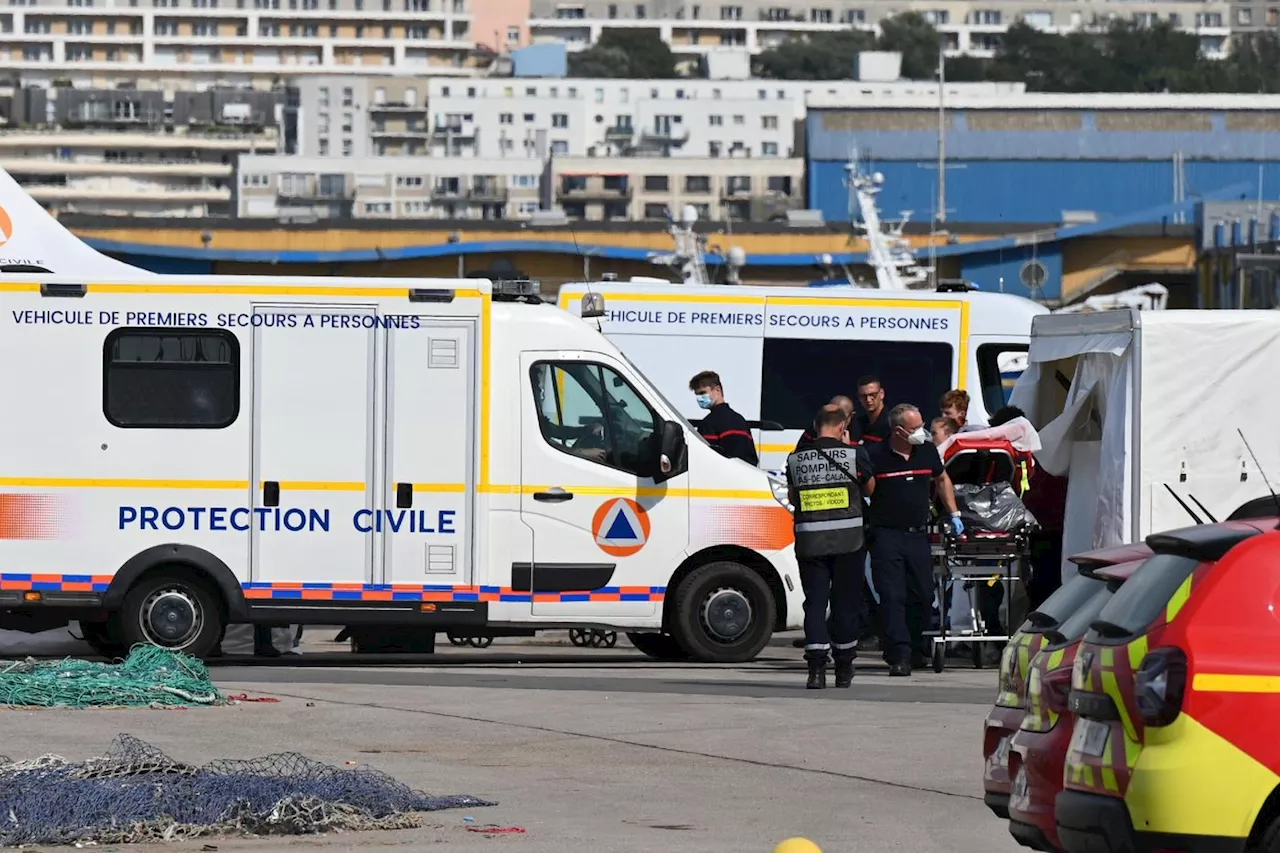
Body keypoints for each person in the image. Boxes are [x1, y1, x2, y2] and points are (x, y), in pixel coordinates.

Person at [867, 403, 963, 677]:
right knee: (892, 595)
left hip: (918, 535)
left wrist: (954, 512)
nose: (921, 432)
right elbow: (866, 488)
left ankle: (917, 646)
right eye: (914, 428)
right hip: (887, 536)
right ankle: (899, 654)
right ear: (898, 431)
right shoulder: (876, 455)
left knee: (922, 594)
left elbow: (942, 479)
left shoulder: (927, 452)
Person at [785, 406, 873, 689]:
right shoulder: (854, 454)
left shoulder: (796, 458)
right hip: (849, 542)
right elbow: (870, 488)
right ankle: (844, 667)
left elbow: (792, 495)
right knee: (845, 605)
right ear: (841, 427)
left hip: (810, 541)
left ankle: (816, 670)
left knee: (814, 604)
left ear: (815, 425)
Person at [689, 370, 759, 466]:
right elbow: (752, 458)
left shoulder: (708, 423)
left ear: (717, 390)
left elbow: (704, 459)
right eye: (697, 395)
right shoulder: (740, 420)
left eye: (702, 393)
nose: (699, 398)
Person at [855, 376, 891, 444]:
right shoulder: (858, 423)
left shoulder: (891, 424)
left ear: (881, 394)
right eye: (863, 396)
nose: (868, 400)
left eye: (872, 394)